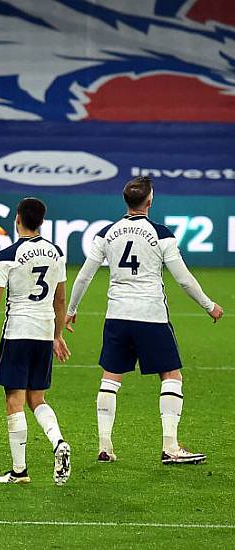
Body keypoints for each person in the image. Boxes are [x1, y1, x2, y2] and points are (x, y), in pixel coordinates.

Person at [66, 176, 224, 465]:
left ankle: (104, 446)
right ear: (149, 201)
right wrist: (208, 305)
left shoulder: (106, 233)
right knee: (171, 376)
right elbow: (184, 280)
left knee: (110, 377)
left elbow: (85, 275)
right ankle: (171, 447)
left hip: (117, 315)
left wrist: (71, 308)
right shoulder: (161, 234)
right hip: (151, 315)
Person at [0, 198, 72, 485]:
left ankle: (19, 471)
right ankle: (57, 441)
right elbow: (60, 298)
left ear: (17, 219)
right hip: (43, 332)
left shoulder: (7, 255)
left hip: (17, 332)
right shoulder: (56, 252)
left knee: (14, 400)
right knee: (37, 398)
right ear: (41, 221)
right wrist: (58, 334)